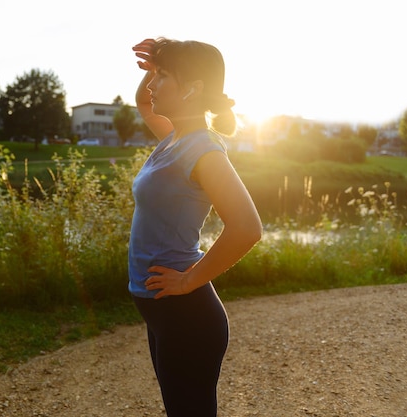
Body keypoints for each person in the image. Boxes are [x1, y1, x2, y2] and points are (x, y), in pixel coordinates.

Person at [129, 37, 262, 416]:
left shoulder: (202, 149)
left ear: (193, 88)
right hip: (161, 311)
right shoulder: (175, 139)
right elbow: (142, 103)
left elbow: (247, 227)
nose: (153, 86)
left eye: (164, 77)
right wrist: (157, 64)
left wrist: (189, 281)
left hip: (186, 315)